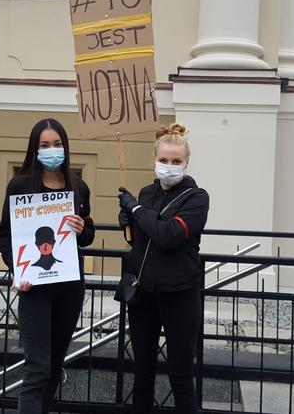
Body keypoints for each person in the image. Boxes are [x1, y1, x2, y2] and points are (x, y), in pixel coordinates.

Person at [0, 118, 95, 413]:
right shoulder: (20, 185)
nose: (52, 150)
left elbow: (88, 235)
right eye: (45, 145)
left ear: (65, 147)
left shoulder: (79, 188)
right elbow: (5, 236)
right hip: (35, 288)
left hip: (69, 286)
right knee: (37, 368)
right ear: (34, 150)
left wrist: (82, 229)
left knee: (53, 367)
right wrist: (18, 271)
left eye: (57, 144)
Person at [117, 123, 210, 414]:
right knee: (142, 372)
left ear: (186, 162)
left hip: (180, 295)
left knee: (181, 375)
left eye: (176, 161)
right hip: (144, 294)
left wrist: (135, 211)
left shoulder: (197, 198)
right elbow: (143, 240)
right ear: (154, 159)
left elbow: (168, 235)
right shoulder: (145, 194)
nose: (169, 166)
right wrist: (128, 222)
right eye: (164, 160)